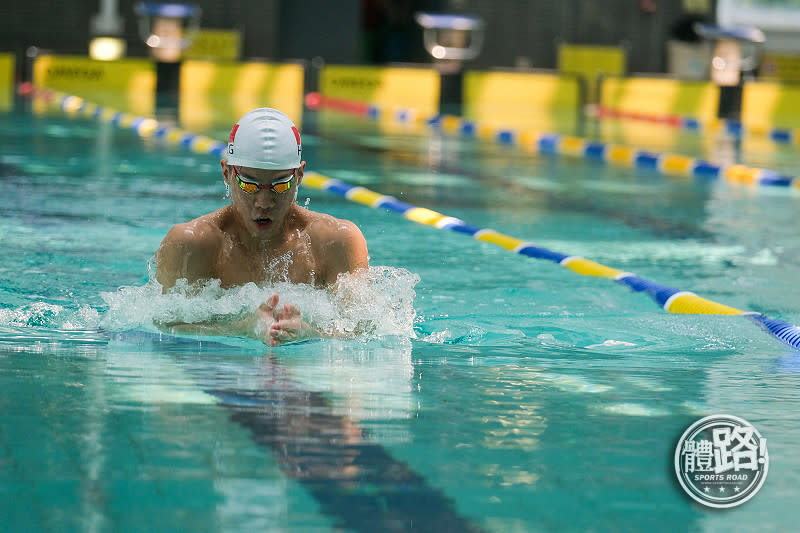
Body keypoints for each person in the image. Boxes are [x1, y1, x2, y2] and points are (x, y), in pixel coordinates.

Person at [155, 108, 369, 345]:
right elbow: (164, 329)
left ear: (299, 175)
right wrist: (240, 329)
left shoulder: (335, 242)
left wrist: (310, 333)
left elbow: (364, 330)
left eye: (280, 184)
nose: (264, 202)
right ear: (227, 173)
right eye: (249, 184)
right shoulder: (191, 244)